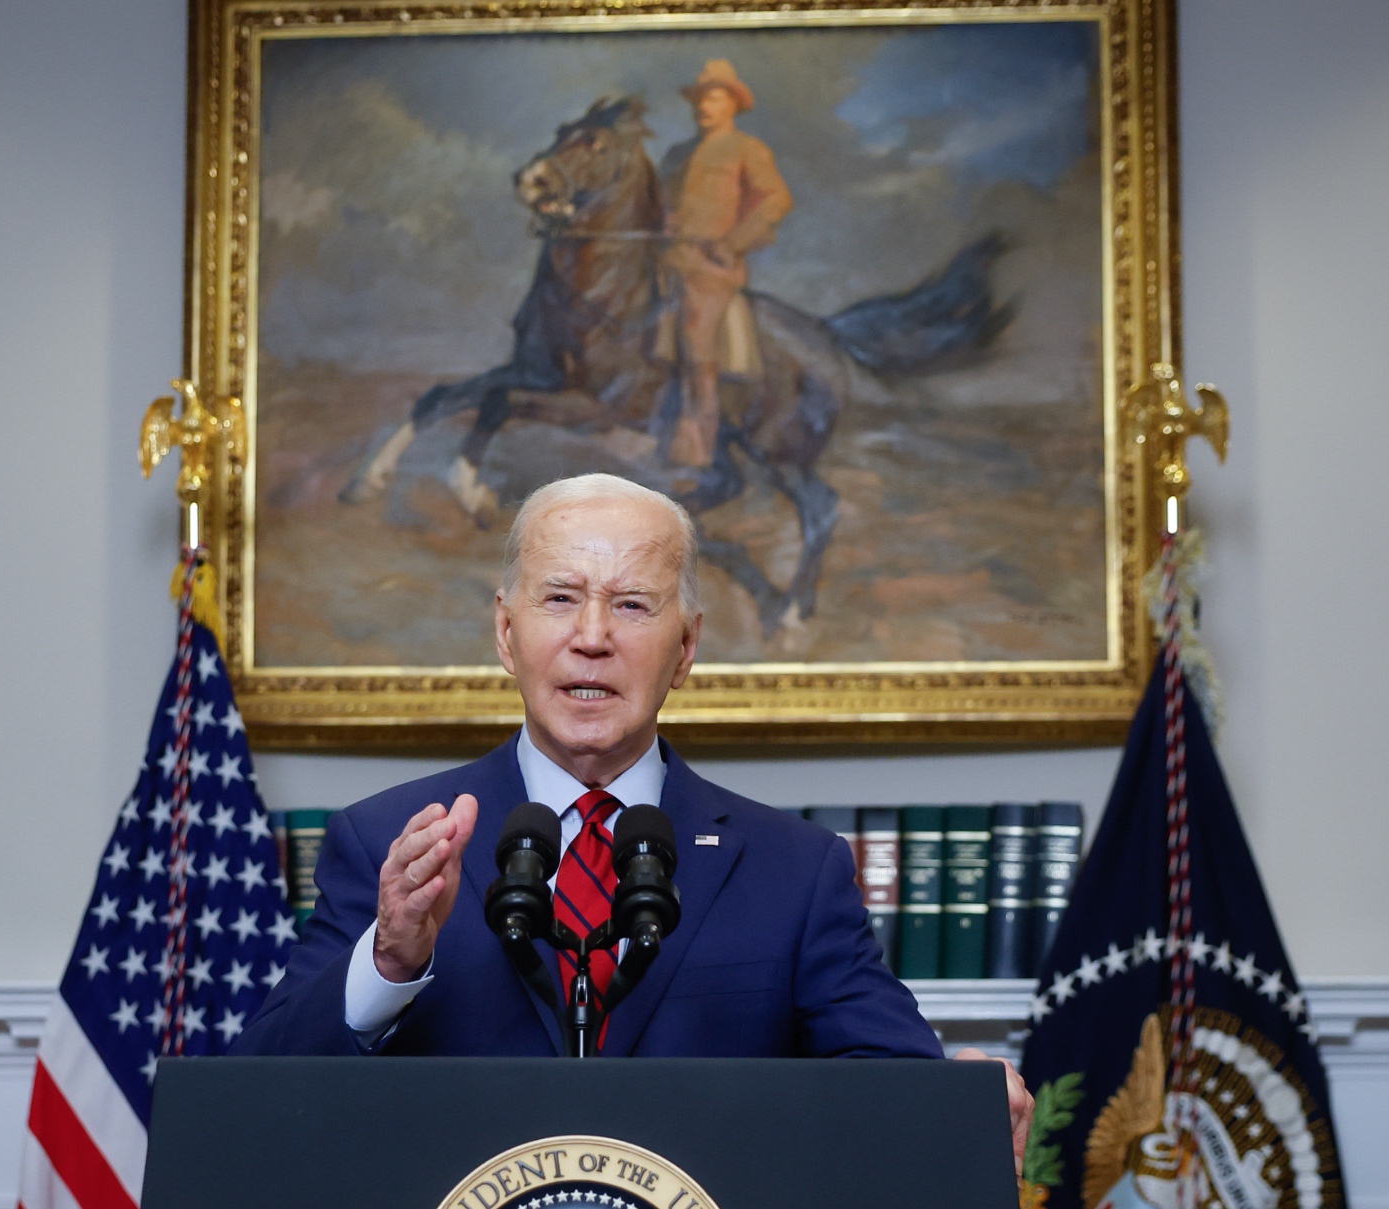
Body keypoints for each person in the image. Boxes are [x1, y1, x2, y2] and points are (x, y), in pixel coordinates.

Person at [234, 473, 1033, 1159]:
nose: (592, 638)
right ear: (507, 634)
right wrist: (390, 961)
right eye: (560, 599)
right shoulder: (386, 841)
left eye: (632, 604)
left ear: (685, 649)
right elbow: (257, 1101)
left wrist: (962, 1107)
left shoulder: (796, 869)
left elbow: (896, 1091)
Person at [658, 59, 792, 469]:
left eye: (713, 98)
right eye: (700, 98)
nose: (704, 106)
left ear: (733, 104)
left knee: (697, 346)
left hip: (712, 270)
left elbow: (776, 200)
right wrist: (665, 220)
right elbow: (662, 205)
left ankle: (702, 450)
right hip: (667, 263)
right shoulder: (677, 155)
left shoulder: (746, 149)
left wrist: (734, 244)